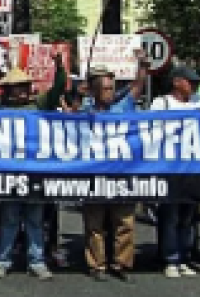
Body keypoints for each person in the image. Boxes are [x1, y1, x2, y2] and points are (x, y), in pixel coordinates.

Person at [0, 55, 65, 281]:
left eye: (24, 86)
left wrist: (59, 67)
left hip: (35, 172)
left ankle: (37, 261)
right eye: (16, 87)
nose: (20, 91)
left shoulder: (39, 105)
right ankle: (3, 260)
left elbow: (57, 89)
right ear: (9, 90)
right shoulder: (1, 111)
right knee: (9, 219)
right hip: (10, 172)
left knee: (34, 220)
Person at [81, 55, 148, 282]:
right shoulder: (86, 108)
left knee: (125, 222)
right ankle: (97, 265)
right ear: (94, 90)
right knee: (94, 223)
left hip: (123, 174)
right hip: (94, 175)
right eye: (105, 88)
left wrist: (143, 65)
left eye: (112, 87)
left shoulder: (124, 105)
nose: (110, 92)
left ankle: (121, 263)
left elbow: (138, 86)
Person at [151, 66, 200, 278]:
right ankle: (170, 258)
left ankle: (184, 256)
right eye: (191, 82)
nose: (195, 86)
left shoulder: (197, 104)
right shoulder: (160, 104)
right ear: (177, 82)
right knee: (169, 215)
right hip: (169, 168)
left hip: (193, 169)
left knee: (188, 217)